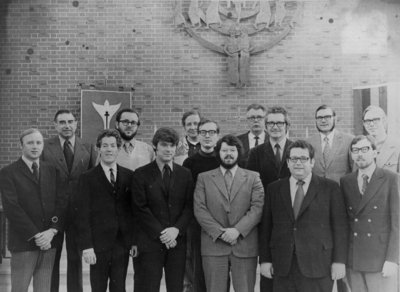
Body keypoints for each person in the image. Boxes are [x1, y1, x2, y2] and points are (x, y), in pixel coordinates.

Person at [259, 140, 348, 292]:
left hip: (318, 264)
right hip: (283, 265)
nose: (298, 163)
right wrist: (265, 260)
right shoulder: (274, 189)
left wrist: (339, 261)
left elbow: (340, 227)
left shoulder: (330, 188)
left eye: (304, 159)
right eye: (294, 159)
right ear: (287, 162)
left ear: (312, 162)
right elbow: (266, 227)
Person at [194, 134, 264, 292]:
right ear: (218, 152)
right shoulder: (203, 178)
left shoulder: (253, 177)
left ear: (239, 153)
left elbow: (258, 207)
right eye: (224, 150)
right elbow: (199, 209)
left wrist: (237, 231)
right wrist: (221, 233)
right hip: (214, 246)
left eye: (232, 150)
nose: (228, 154)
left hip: (245, 246)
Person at [0, 128, 67, 292]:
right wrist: (37, 235)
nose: (35, 146)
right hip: (24, 242)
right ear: (21, 145)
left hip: (49, 242)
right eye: (30, 143)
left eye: (38, 142)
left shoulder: (52, 170)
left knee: (44, 289)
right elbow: (11, 207)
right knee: (19, 289)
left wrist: (52, 230)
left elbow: (61, 202)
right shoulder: (8, 172)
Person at [132, 127, 194, 292]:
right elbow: (140, 208)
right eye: (164, 145)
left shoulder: (185, 174)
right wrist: (162, 233)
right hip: (151, 241)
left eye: (172, 145)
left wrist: (176, 230)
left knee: (176, 287)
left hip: (176, 241)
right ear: (155, 147)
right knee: (148, 286)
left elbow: (189, 206)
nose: (168, 149)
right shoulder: (141, 174)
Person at [41, 109, 97, 292]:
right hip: (52, 212)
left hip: (77, 212)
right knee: (51, 257)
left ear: (76, 124)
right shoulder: (45, 146)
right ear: (55, 125)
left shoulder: (87, 147)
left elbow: (92, 178)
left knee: (75, 258)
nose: (67, 125)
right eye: (62, 122)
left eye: (70, 121)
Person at [76, 129, 134, 292]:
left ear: (118, 149)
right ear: (98, 148)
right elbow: (82, 214)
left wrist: (132, 241)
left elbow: (132, 212)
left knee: (119, 287)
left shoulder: (129, 176)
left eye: (113, 146)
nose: (109, 149)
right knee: (98, 287)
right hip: (98, 244)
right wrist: (87, 246)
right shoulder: (87, 178)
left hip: (121, 244)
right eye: (105, 146)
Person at [340, 135, 399, 292]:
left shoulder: (390, 179)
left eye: (365, 149)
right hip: (354, 259)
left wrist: (393, 259)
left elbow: (397, 223)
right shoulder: (346, 181)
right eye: (355, 150)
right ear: (351, 155)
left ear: (374, 152)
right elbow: (344, 223)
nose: (359, 154)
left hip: (380, 259)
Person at [246, 106, 292, 292]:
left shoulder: (296, 148)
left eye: (279, 122)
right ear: (266, 126)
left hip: (291, 213)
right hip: (266, 214)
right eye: (271, 123)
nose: (275, 126)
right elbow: (251, 185)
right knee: (268, 267)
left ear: (287, 125)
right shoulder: (256, 153)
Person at [182, 119, 221, 292]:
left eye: (211, 132)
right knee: (197, 265)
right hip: (197, 222)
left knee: (219, 267)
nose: (207, 136)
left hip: (221, 221)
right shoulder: (189, 163)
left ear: (217, 136)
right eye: (203, 132)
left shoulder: (224, 160)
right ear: (197, 135)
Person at [307, 105, 354, 183]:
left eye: (327, 117)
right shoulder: (308, 143)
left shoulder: (349, 140)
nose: (323, 120)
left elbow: (355, 170)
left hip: (340, 191)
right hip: (317, 191)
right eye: (319, 118)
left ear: (335, 119)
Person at [362, 105, 400, 173]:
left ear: (384, 121)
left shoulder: (397, 146)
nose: (371, 124)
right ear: (363, 124)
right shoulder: (360, 146)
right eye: (367, 121)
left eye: (375, 120)